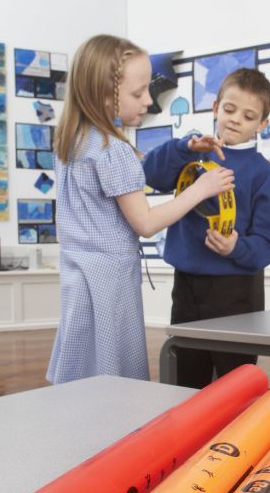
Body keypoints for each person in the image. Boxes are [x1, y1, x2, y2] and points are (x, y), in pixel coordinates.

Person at [47, 35, 234, 384]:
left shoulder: (72, 139)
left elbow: (137, 175)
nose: (148, 100)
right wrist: (200, 189)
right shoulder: (111, 149)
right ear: (104, 96)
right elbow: (146, 223)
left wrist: (186, 147)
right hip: (110, 277)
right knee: (113, 376)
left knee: (83, 366)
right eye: (138, 93)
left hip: (78, 271)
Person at [144, 68, 270, 388]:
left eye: (249, 116)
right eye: (230, 110)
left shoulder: (262, 172)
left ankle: (237, 437)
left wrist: (237, 247)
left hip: (237, 289)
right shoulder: (192, 150)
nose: (235, 120)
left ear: (262, 125)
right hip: (187, 286)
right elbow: (150, 174)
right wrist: (184, 148)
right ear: (216, 107)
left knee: (236, 381)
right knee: (186, 376)